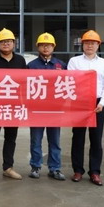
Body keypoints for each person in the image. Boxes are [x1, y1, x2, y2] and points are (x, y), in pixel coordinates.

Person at [68, 30, 104, 186]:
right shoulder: (74, 62)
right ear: (82, 45)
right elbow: (70, 83)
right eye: (87, 43)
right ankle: (78, 170)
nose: (90, 46)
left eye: (93, 43)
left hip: (97, 103)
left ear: (98, 45)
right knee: (78, 137)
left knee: (96, 138)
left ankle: (95, 172)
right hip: (79, 103)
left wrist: (101, 103)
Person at [0, 28, 27, 181]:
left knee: (11, 137)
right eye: (3, 41)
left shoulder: (20, 60)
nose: (6, 44)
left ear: (14, 43)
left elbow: (24, 82)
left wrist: (23, 104)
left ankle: (8, 167)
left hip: (14, 106)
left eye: (9, 41)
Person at [27, 32, 66, 181]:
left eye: (48, 45)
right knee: (36, 140)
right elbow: (25, 87)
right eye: (42, 45)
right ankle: (35, 166)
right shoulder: (31, 66)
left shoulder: (61, 65)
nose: (45, 48)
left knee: (54, 140)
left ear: (53, 47)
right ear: (38, 47)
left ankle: (55, 168)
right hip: (37, 110)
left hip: (55, 110)